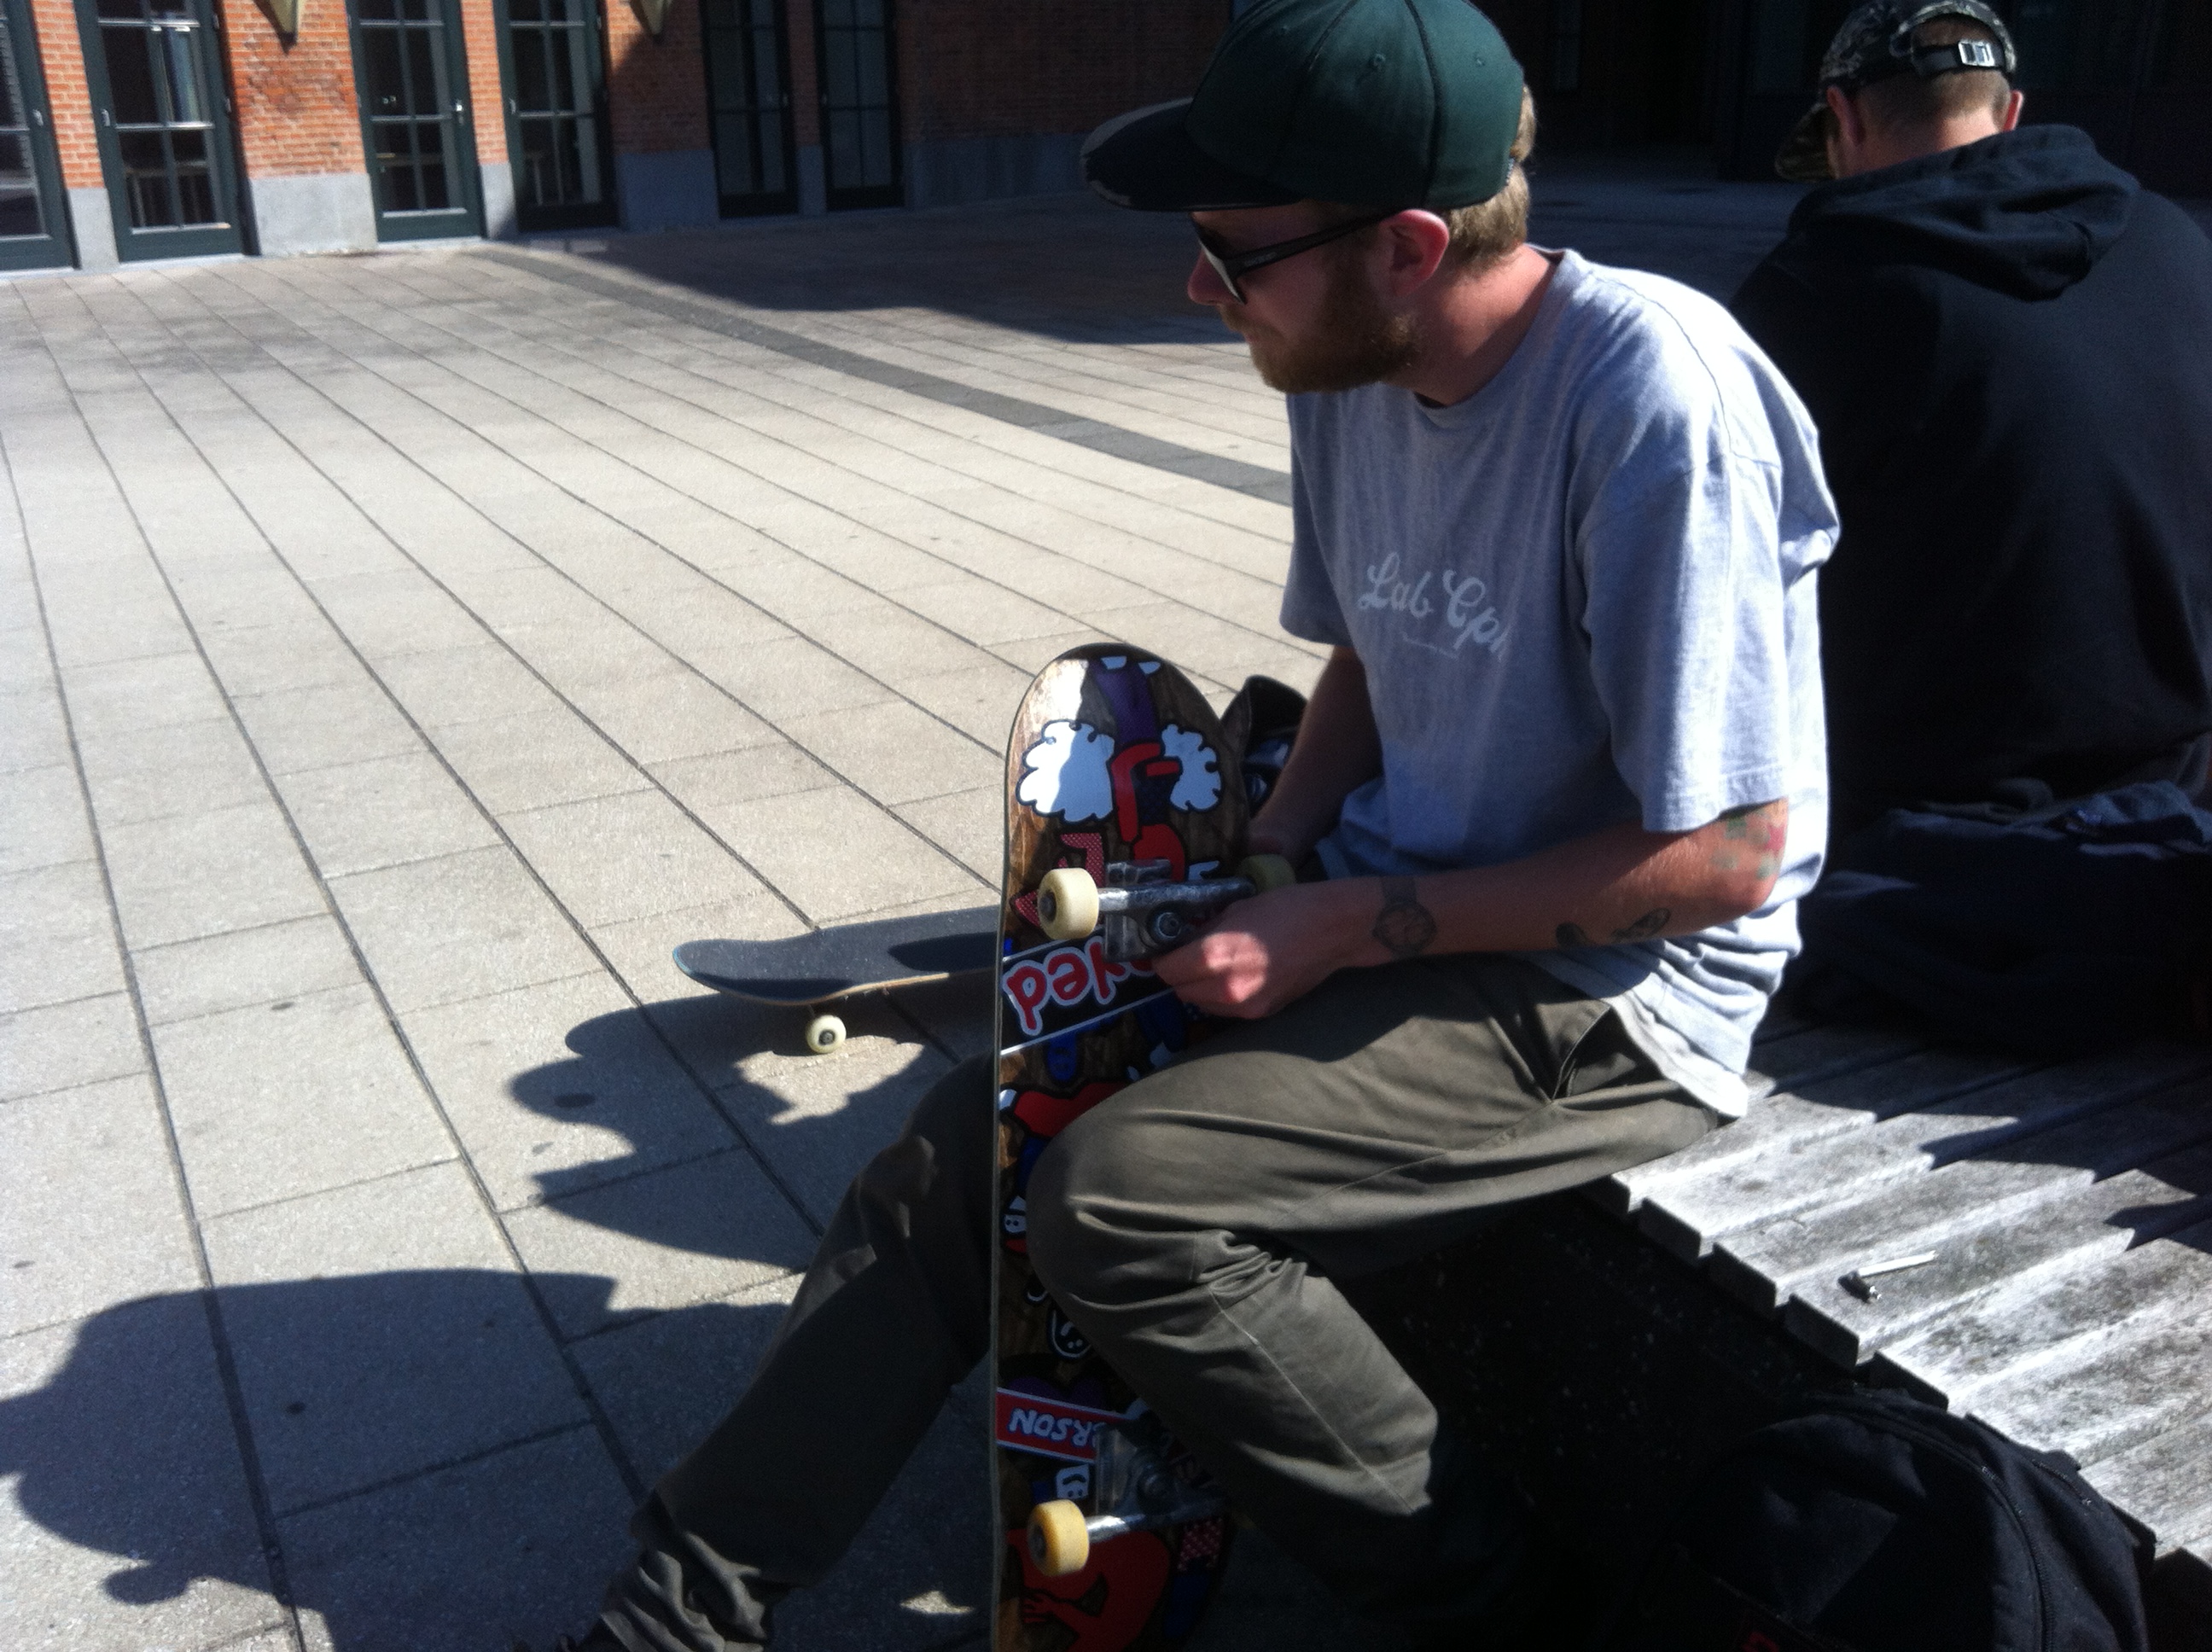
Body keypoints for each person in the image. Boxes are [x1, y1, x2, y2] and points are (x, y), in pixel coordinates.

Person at [558, 1, 1837, 1647]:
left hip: (1621, 990)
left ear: (1407, 245)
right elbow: (1370, 644)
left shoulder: (1650, 400)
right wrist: (1269, 864)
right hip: (1409, 905)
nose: (1196, 288)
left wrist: (1343, 926)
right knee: (973, 1133)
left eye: (1232, 256)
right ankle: (679, 1609)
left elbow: (1728, 854)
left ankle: (1495, 1600)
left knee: (1121, 1197)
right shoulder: (1349, 361)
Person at [1730, 2, 2212, 1052]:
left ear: (1844, 116)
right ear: (2014, 110)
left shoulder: (1812, 293)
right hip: (2174, 792)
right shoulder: (2179, 246)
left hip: (1917, 826)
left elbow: (1713, 596)